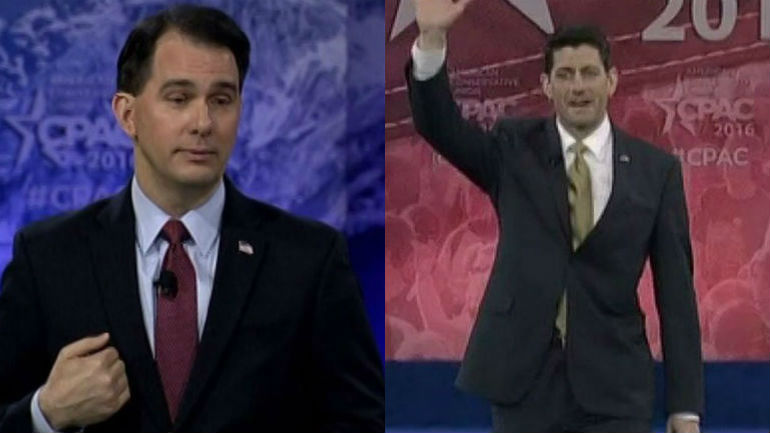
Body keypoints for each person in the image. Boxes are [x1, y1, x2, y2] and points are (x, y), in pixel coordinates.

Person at [0, 5, 383, 432]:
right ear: (128, 114)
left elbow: (359, 421)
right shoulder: (48, 256)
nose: (203, 123)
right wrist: (45, 414)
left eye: (221, 100)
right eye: (179, 98)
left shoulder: (310, 260)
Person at [405, 1, 703, 432]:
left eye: (589, 73)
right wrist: (432, 40)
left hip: (616, 389)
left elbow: (676, 296)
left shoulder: (656, 172)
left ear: (612, 79)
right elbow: (439, 125)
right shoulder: (513, 150)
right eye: (565, 75)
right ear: (546, 85)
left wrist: (685, 407)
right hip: (524, 384)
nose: (577, 86)